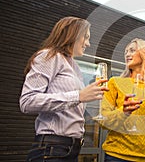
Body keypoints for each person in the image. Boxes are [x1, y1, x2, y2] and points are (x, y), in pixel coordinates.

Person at [20, 16, 108, 162]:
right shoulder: (49, 56)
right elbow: (27, 101)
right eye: (85, 37)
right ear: (72, 34)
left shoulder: (74, 66)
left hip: (71, 148)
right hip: (52, 148)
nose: (88, 43)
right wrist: (78, 96)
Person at [98, 38, 145, 162]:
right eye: (126, 52)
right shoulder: (115, 83)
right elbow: (103, 121)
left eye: (132, 50)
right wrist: (124, 112)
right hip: (117, 156)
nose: (127, 54)